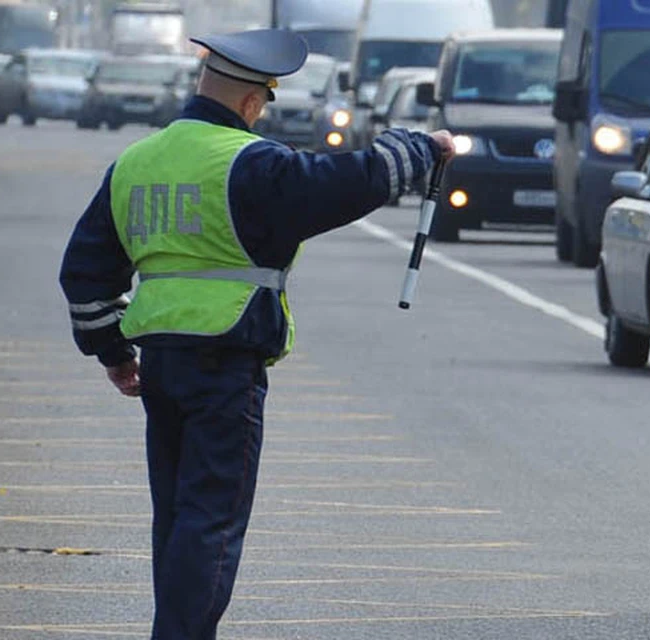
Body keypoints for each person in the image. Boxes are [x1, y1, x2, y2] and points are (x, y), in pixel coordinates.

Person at [58, 28, 454, 640]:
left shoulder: (134, 163)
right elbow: (349, 181)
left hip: (160, 362)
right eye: (265, 102)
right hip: (226, 360)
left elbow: (83, 272)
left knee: (178, 518)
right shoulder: (251, 163)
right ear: (251, 101)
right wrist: (423, 149)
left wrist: (112, 351)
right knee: (211, 519)